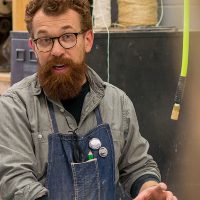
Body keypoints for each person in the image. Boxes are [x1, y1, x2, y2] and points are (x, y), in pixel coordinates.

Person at [0, 0, 177, 200]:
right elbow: (15, 183)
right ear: (33, 46)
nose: (57, 50)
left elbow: (137, 166)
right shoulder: (15, 107)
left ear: (88, 40)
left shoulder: (117, 102)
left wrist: (149, 190)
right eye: (45, 40)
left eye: (67, 37)